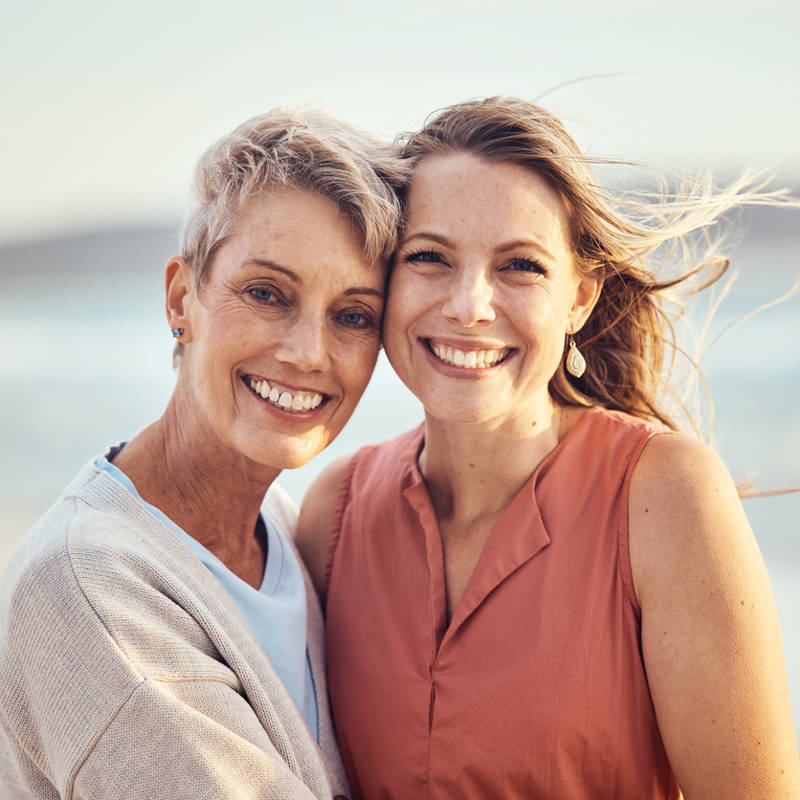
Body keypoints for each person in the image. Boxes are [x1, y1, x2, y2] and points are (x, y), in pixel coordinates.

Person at [297, 97, 800, 799]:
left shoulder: (666, 497)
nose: (469, 304)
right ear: (387, 279)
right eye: (430, 258)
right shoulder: (335, 512)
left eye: (521, 267)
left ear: (580, 300)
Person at [0, 108, 405, 799]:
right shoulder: (87, 585)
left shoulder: (274, 524)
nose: (309, 352)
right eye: (266, 293)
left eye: (353, 315)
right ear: (181, 297)